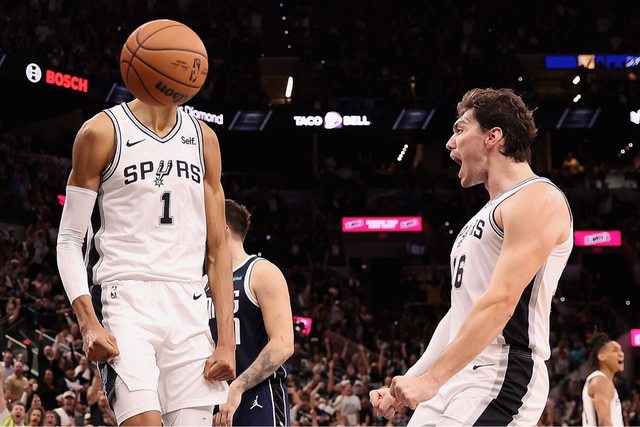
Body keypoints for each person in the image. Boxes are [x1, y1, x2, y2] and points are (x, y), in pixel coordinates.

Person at [55, 31, 236, 426]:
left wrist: (226, 341)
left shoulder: (204, 139)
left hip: (188, 305)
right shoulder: (101, 132)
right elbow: (69, 239)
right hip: (124, 299)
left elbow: (218, 248)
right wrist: (87, 322)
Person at [370, 88, 573, 426]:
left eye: (460, 129)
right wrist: (413, 379)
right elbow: (460, 316)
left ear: (493, 137)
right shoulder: (484, 215)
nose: (450, 143)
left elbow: (501, 302)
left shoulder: (537, 197)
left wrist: (430, 381)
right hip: (458, 371)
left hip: (501, 368)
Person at [210, 199, 294, 426]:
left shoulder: (261, 272)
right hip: (212, 400)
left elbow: (283, 344)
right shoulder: (202, 283)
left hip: (257, 395)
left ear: (222, 228)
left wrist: (237, 387)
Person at [582, 333, 625, 426]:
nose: (621, 354)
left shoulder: (600, 380)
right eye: (615, 351)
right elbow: (604, 422)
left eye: (621, 350)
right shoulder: (601, 382)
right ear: (601, 356)